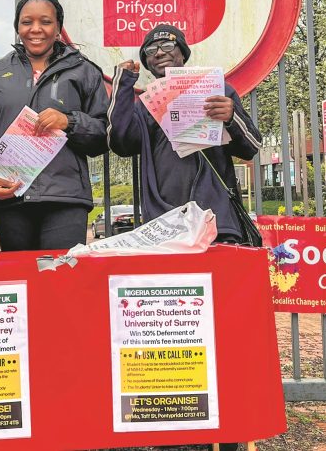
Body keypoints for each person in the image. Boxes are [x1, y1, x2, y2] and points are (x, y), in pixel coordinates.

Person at [108, 24, 261, 451]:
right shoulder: (142, 104)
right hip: (166, 230)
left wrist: (230, 116)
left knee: (223, 331)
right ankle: (179, 430)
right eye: (152, 47)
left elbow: (251, 147)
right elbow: (119, 142)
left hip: (220, 226)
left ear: (184, 52)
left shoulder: (219, 90)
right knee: (174, 329)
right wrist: (123, 87)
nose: (161, 50)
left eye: (169, 43)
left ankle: (228, 428)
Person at [0, 0, 109, 251]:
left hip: (65, 198)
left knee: (60, 281)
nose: (35, 29)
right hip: (10, 198)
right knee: (21, 282)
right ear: (17, 27)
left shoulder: (85, 71)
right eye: (26, 22)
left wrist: (70, 121)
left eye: (45, 21)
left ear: (58, 28)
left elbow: (104, 135)